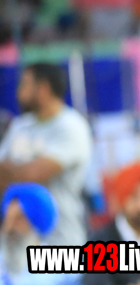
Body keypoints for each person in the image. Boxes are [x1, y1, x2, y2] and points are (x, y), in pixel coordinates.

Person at [0, 64, 93, 246]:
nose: (18, 91)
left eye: (24, 84)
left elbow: (32, 176)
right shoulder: (20, 125)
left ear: (43, 88)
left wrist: (14, 172)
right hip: (17, 240)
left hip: (61, 240)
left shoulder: (72, 126)